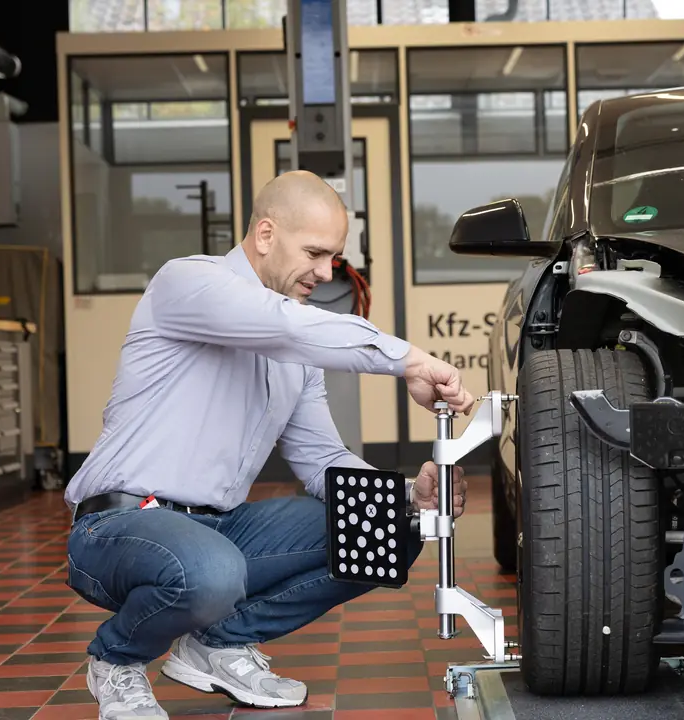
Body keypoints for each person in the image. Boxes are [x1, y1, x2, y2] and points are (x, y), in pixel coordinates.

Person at [62, 169, 475, 719]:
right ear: (264, 235)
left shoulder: (294, 347)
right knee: (209, 572)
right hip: (118, 524)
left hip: (219, 530)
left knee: (387, 529)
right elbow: (283, 326)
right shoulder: (187, 282)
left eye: (334, 257)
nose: (326, 273)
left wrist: (406, 497)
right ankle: (115, 659)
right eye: (315, 252)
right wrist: (411, 361)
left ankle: (217, 643)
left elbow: (323, 461)